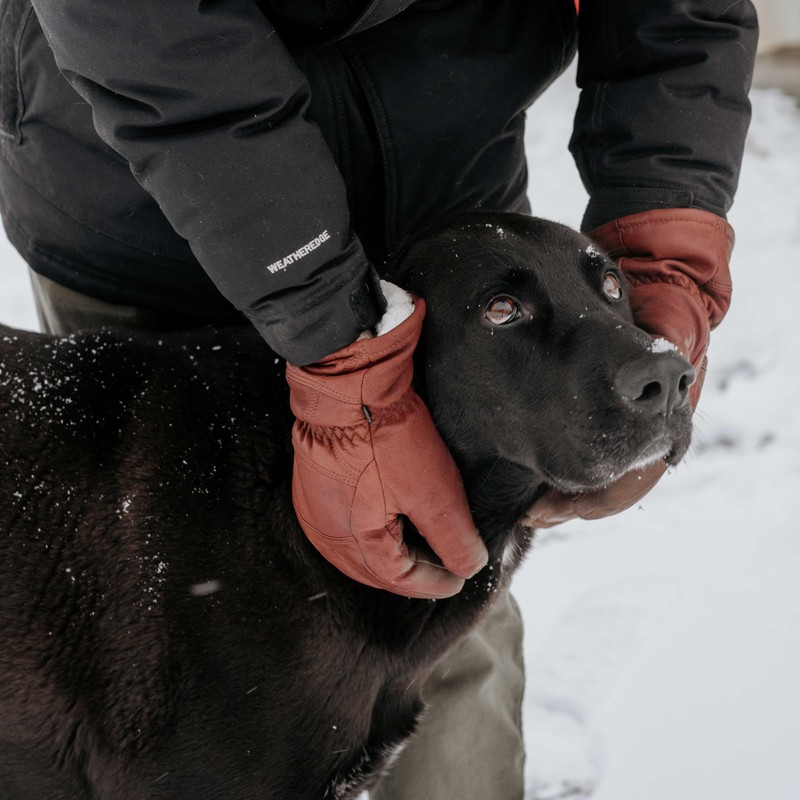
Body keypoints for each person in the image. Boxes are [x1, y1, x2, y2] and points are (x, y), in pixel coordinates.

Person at [0, 0, 758, 797]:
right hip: (153, 198)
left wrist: (664, 256)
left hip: (446, 182)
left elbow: (687, 13)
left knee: (451, 620)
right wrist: (332, 339)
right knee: (145, 658)